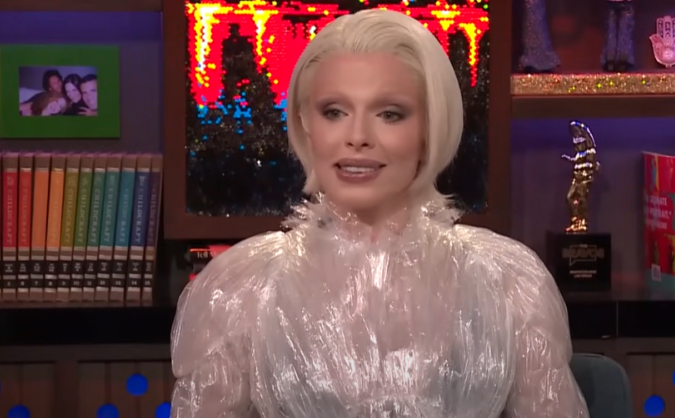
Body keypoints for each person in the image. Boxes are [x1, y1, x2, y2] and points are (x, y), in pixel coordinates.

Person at [171, 8, 588, 418]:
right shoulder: (239, 290)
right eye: (334, 112)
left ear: (429, 128)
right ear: (305, 122)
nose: (357, 137)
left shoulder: (509, 282)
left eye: (389, 114)